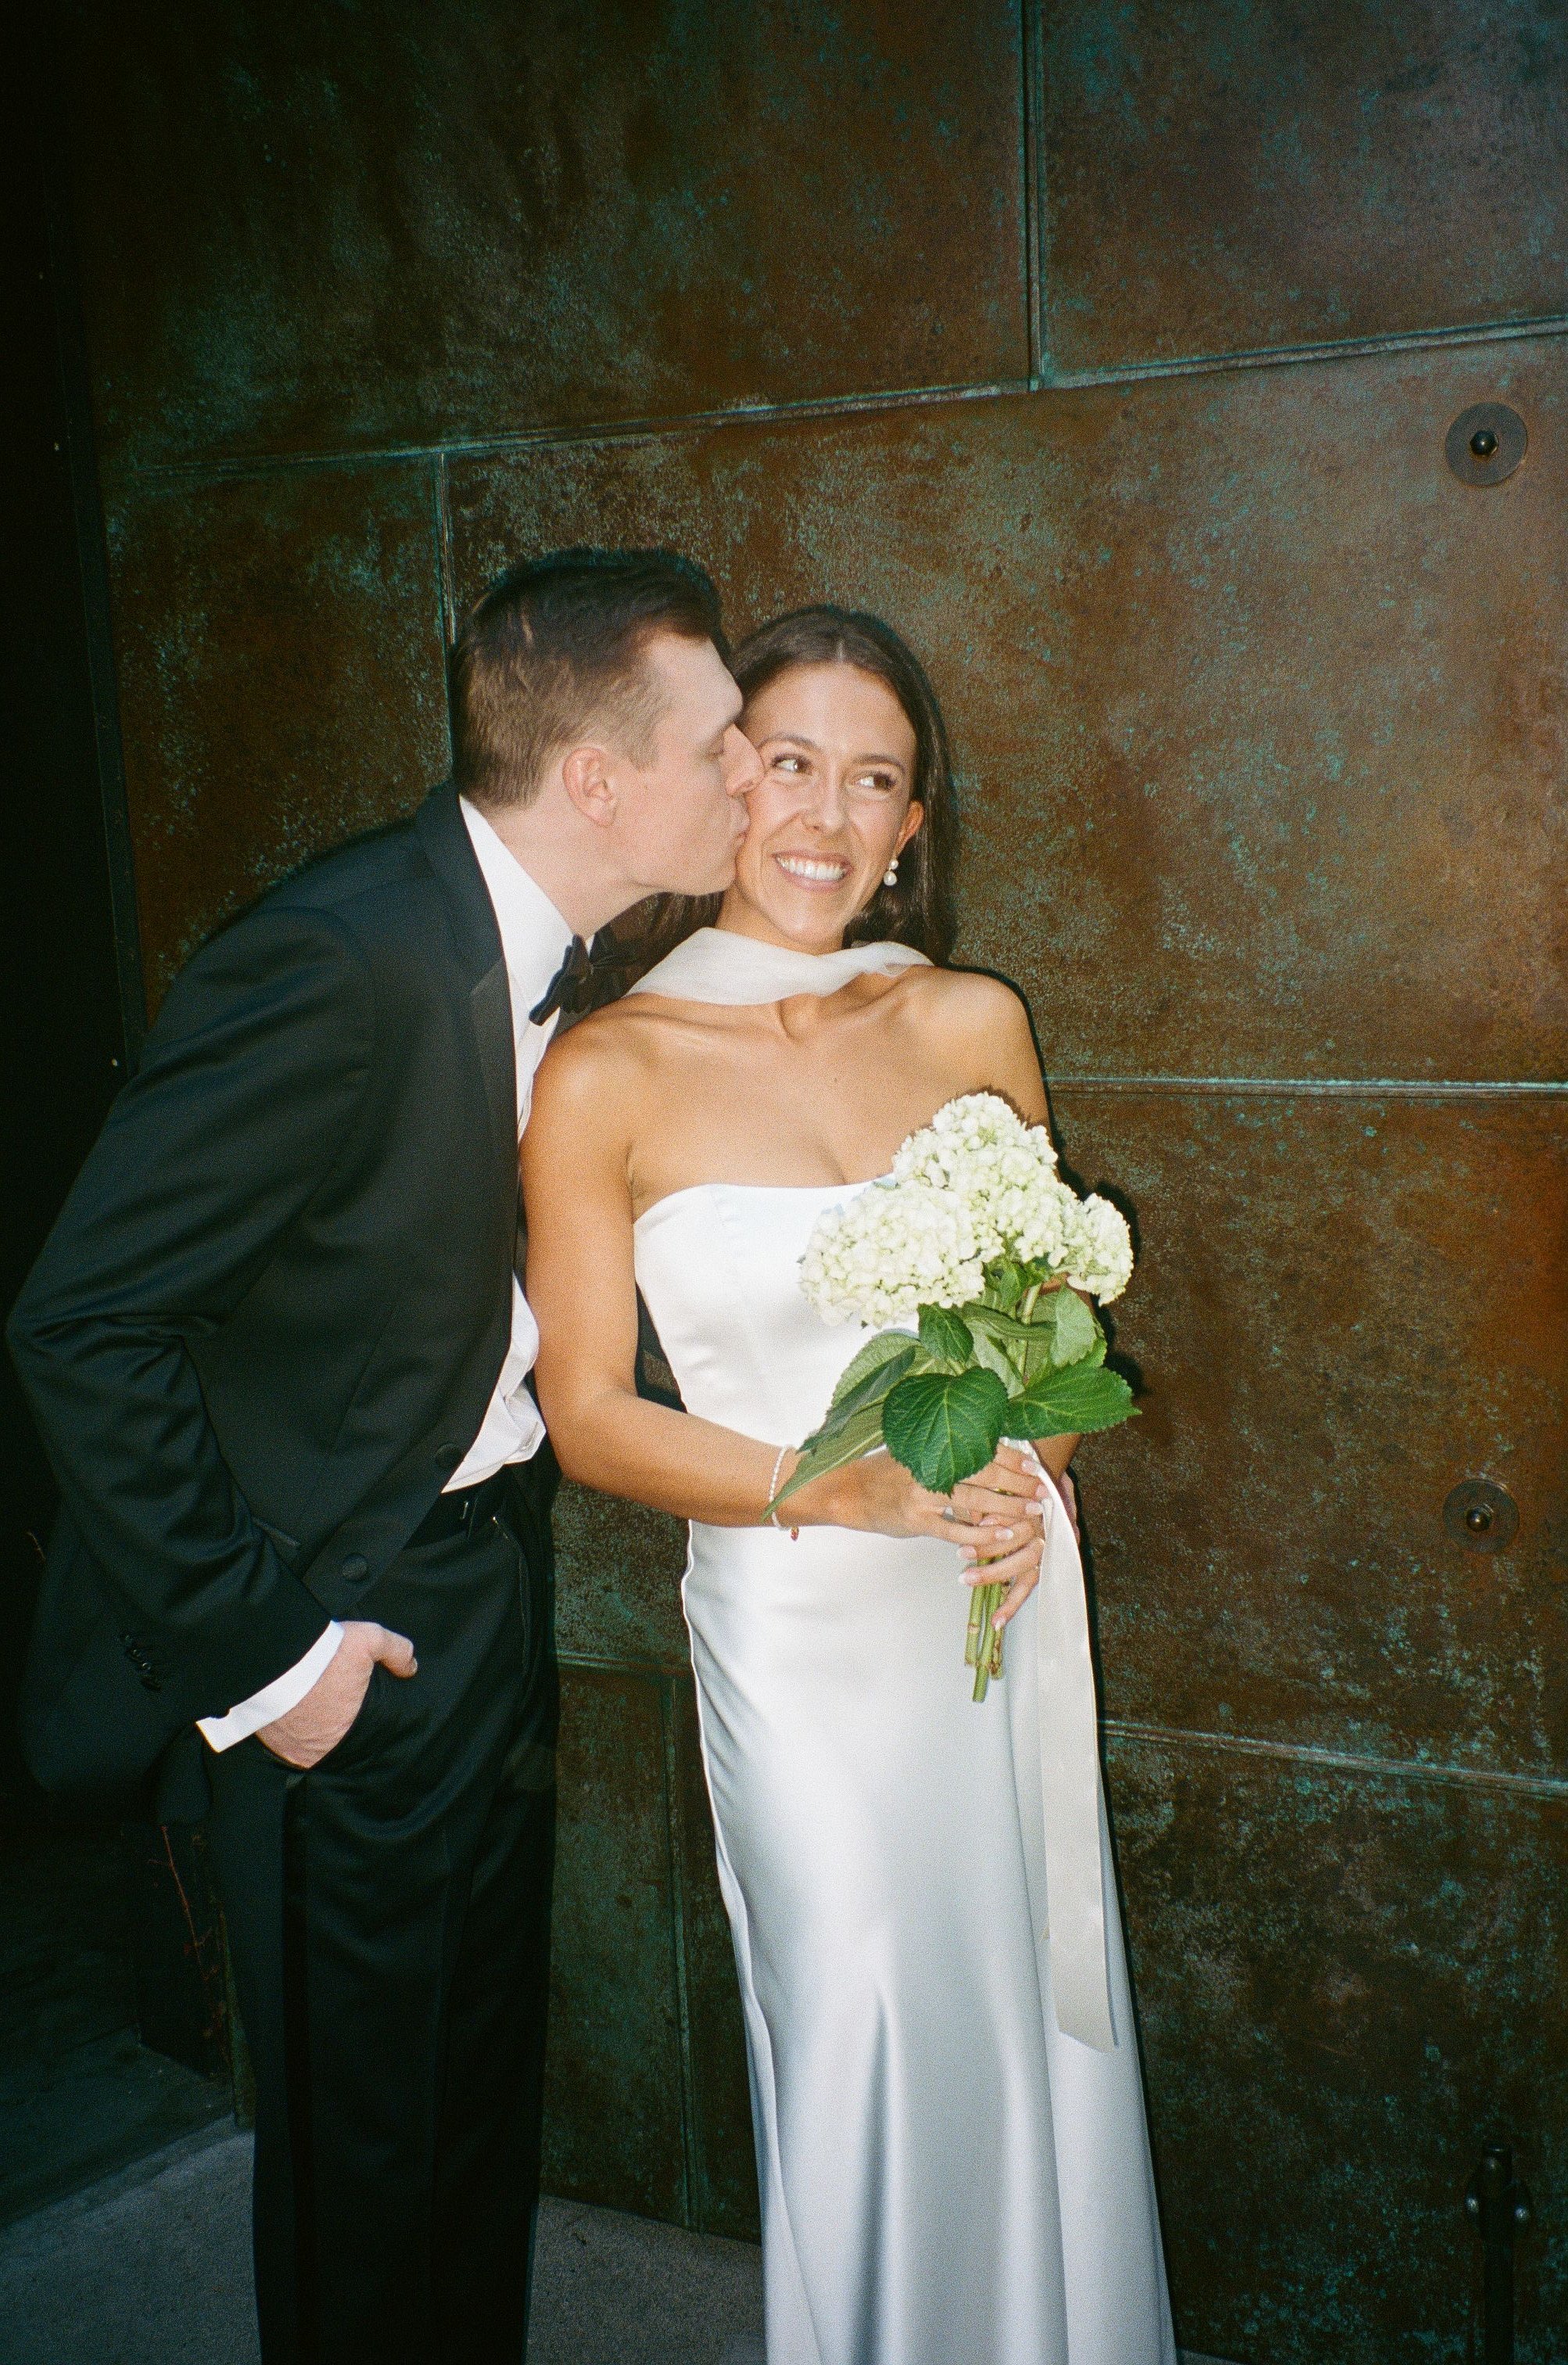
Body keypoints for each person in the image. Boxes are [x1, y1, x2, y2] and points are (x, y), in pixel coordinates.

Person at [6, 547, 763, 2365]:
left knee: (464, 2105)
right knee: (364, 2146)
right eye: (725, 745)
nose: (754, 779)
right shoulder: (335, 957)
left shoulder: (567, 963)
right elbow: (82, 1320)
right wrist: (270, 1661)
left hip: (485, 1581)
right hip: (337, 1623)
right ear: (598, 780)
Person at [523, 606, 1176, 2365]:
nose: (822, 811)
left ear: (909, 830)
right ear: (725, 784)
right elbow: (585, 1415)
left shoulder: (972, 1018)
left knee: (1024, 2029)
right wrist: (842, 1493)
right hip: (799, 1625)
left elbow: (1049, 1338)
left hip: (990, 1590)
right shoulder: (606, 1067)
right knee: (868, 2027)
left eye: (870, 778)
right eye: (788, 762)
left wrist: (1019, 1472)